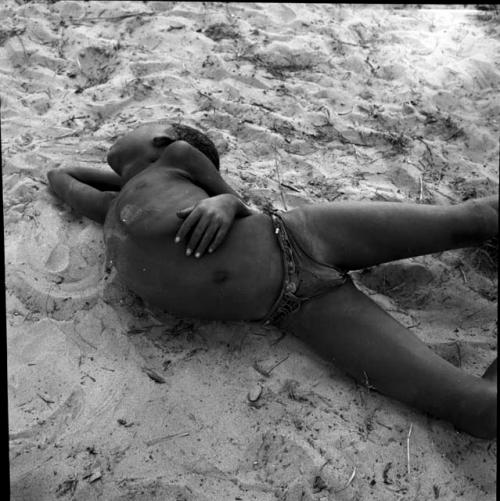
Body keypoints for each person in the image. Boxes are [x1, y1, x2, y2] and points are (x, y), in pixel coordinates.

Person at [47, 122, 498, 439]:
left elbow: (230, 197)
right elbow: (59, 176)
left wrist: (222, 204)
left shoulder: (178, 158)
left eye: (138, 128)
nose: (119, 134)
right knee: (478, 412)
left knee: (472, 220)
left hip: (303, 235)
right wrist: (127, 178)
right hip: (295, 309)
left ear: (163, 138)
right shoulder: (109, 209)